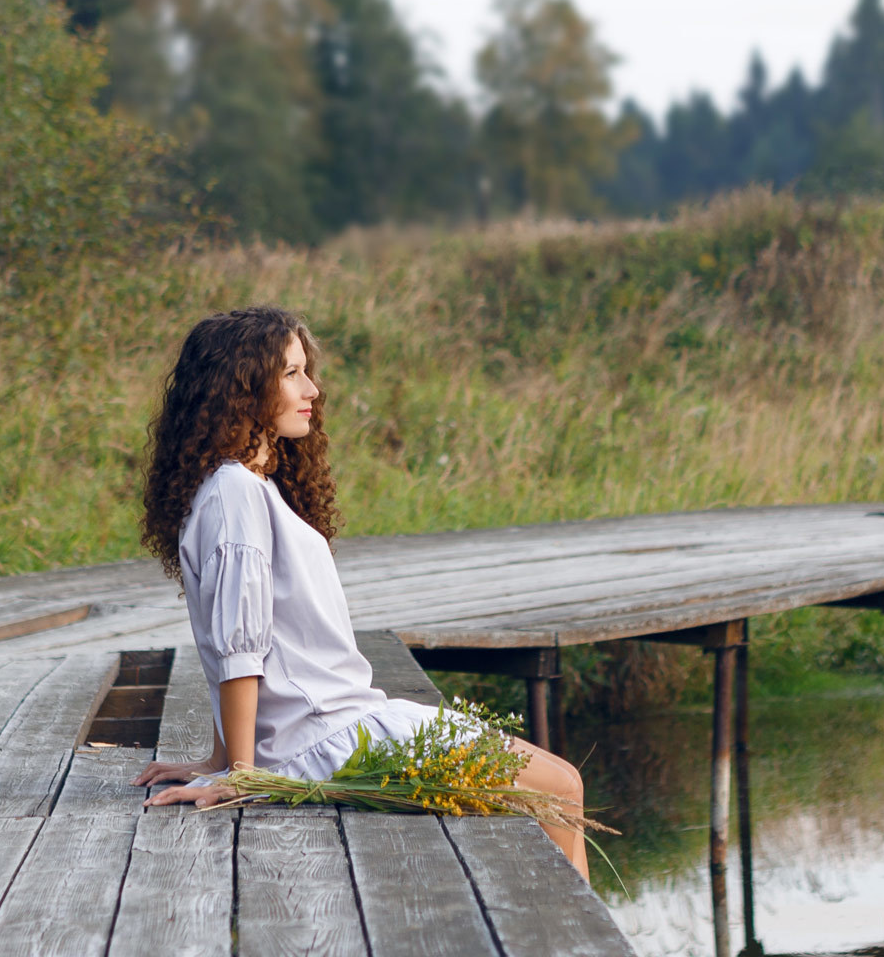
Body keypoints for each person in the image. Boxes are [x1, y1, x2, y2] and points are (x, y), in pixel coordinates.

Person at [129, 304, 589, 877]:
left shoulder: (241, 487)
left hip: (341, 722)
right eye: (292, 373)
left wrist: (218, 759)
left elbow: (239, 638)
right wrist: (240, 776)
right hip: (327, 739)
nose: (312, 389)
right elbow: (238, 646)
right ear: (240, 390)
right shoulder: (235, 493)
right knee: (560, 788)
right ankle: (577, 936)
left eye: (306, 371)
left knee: (563, 782)